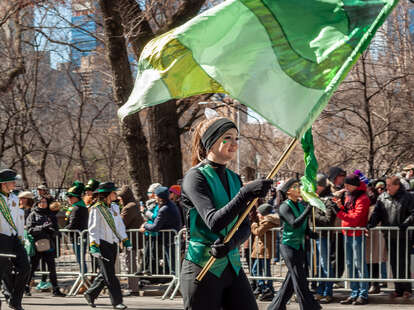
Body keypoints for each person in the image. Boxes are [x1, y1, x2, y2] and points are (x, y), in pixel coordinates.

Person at [180, 116, 272, 310]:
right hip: (202, 266)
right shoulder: (194, 177)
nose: (234, 144)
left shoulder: (234, 178)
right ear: (211, 141)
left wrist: (231, 243)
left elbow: (245, 226)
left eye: (236, 138)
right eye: (227, 137)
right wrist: (245, 192)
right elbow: (213, 221)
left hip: (232, 266)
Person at [267, 179, 320, 310]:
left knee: (291, 279)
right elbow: (294, 223)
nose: (299, 188)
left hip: (300, 246)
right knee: (300, 279)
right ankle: (309, 306)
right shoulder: (284, 206)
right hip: (288, 246)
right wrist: (309, 208)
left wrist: (312, 234)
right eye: (295, 186)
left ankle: (276, 307)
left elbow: (304, 227)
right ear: (288, 191)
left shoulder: (301, 206)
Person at [84, 182, 131, 310]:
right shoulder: (96, 208)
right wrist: (94, 246)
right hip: (101, 244)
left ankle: (90, 293)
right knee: (110, 274)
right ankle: (117, 302)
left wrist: (125, 239)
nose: (116, 194)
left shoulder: (115, 207)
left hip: (113, 244)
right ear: (107, 195)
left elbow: (119, 225)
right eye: (114, 192)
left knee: (105, 272)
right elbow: (93, 229)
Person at [367, 176, 414, 298]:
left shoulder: (407, 197)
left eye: (389, 186)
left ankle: (407, 288)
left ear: (397, 185)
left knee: (403, 262)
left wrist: (405, 224)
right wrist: (371, 223)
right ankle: (398, 289)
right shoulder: (383, 197)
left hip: (403, 235)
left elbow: (413, 213)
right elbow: (377, 212)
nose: (386, 189)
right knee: (393, 262)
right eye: (386, 186)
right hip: (389, 235)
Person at [332, 174, 370, 305]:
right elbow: (348, 213)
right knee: (350, 264)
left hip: (357, 234)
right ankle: (354, 293)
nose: (345, 187)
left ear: (355, 185)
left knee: (359, 264)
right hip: (348, 233)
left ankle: (363, 294)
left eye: (348, 185)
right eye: (345, 185)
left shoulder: (363, 198)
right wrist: (340, 206)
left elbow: (355, 218)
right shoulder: (350, 196)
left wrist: (338, 211)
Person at [0, 169, 30, 310]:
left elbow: (19, 219)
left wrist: (21, 237)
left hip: (14, 238)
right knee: (2, 270)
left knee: (25, 268)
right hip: (1, 238)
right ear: (3, 183)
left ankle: (15, 300)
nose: (14, 183)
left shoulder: (14, 198)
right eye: (12, 181)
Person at [26, 196, 66, 297]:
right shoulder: (33, 214)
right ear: (37, 203)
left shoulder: (51, 215)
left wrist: (53, 231)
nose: (43, 203)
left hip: (49, 244)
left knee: (52, 267)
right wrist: (43, 227)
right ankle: (26, 287)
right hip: (36, 244)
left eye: (45, 202)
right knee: (32, 267)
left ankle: (56, 289)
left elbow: (56, 229)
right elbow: (30, 229)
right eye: (41, 202)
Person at [139, 186, 182, 275]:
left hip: (169, 239)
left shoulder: (164, 209)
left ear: (160, 197)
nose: (154, 197)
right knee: (172, 264)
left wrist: (145, 225)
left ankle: (178, 286)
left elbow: (155, 227)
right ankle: (176, 285)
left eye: (156, 196)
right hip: (171, 239)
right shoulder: (170, 205)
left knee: (173, 265)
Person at [313, 174, 336, 303]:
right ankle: (320, 291)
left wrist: (312, 215)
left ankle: (328, 292)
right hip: (315, 236)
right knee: (319, 266)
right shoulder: (315, 199)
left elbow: (328, 220)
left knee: (325, 264)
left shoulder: (328, 200)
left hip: (324, 236)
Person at [118, 184, 144, 295]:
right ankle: (133, 287)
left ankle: (133, 289)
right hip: (133, 239)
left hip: (131, 240)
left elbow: (121, 223)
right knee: (131, 263)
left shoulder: (129, 207)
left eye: (120, 198)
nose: (119, 200)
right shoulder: (134, 204)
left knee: (131, 263)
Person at [250, 203, 279, 301]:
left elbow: (258, 231)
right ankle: (269, 289)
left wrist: (253, 225)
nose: (257, 215)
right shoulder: (265, 221)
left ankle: (265, 288)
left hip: (264, 250)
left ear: (264, 213)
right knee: (266, 271)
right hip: (261, 250)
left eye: (259, 213)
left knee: (255, 270)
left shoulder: (268, 222)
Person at [65, 182, 89, 276]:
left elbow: (72, 225)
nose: (69, 199)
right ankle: (84, 278)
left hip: (78, 237)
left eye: (71, 197)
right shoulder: (80, 207)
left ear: (77, 198)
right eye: (68, 197)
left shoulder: (77, 208)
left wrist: (63, 229)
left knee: (80, 259)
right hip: (79, 237)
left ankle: (84, 279)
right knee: (81, 259)